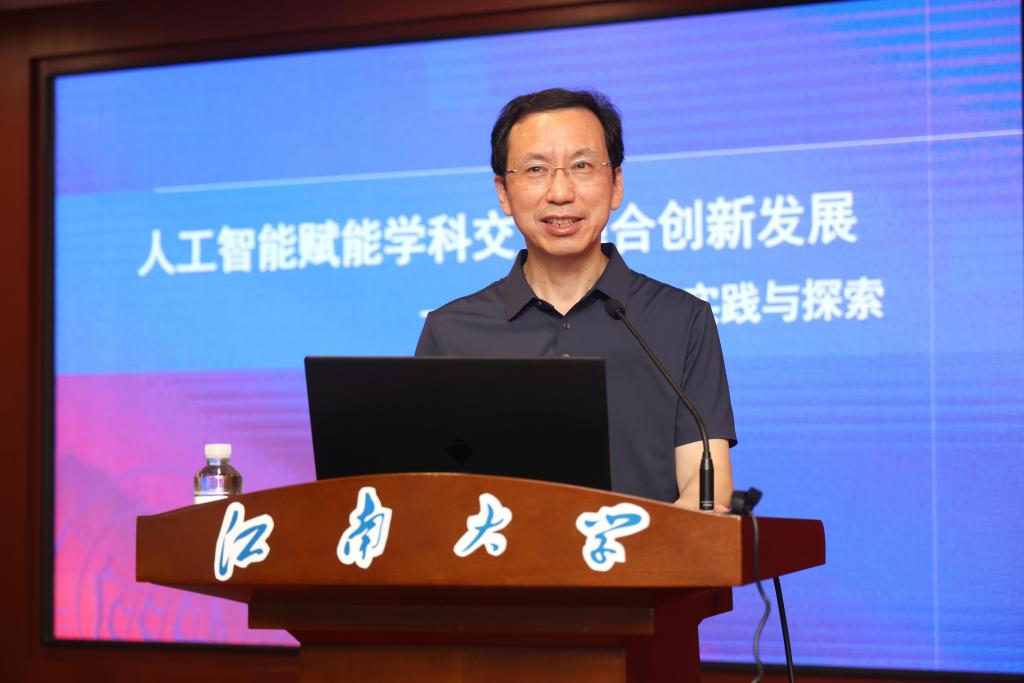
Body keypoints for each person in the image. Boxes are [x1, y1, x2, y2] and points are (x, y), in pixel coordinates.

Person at [415, 88, 736, 509]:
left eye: (582, 166)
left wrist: (644, 551)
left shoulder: (681, 320)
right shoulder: (451, 333)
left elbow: (707, 485)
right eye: (536, 169)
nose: (560, 192)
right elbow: (428, 493)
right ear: (503, 192)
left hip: (642, 552)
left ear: (616, 184)